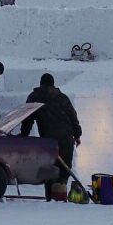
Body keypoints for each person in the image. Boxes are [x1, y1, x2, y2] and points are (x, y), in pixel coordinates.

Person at [19, 72, 82, 200]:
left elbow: (27, 119)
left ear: (41, 83)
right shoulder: (62, 97)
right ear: (53, 84)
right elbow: (72, 116)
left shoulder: (34, 97)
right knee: (64, 171)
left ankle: (50, 197)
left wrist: (24, 134)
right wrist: (77, 134)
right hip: (66, 138)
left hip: (48, 142)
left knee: (49, 169)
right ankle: (60, 196)